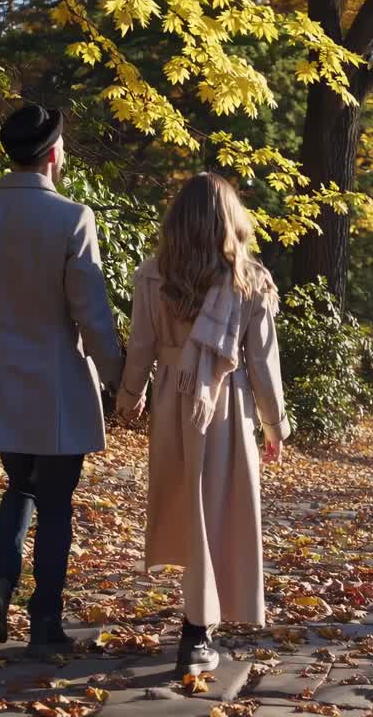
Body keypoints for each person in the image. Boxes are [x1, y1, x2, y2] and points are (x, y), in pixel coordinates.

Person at [0, 104, 124, 657]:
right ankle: (44, 621)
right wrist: (119, 380)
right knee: (57, 500)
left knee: (19, 485)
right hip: (60, 384)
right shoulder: (73, 218)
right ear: (52, 153)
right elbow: (90, 313)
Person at [117, 173, 290, 677]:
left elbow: (142, 348)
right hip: (226, 407)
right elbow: (261, 362)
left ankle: (197, 626)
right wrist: (275, 424)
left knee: (187, 508)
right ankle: (197, 634)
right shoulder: (250, 280)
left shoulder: (153, 274)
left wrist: (130, 398)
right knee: (215, 511)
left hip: (174, 402)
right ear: (230, 221)